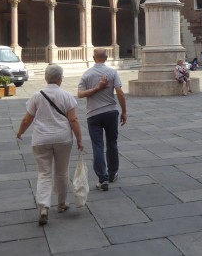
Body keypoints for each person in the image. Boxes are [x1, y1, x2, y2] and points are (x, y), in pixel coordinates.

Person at [16, 64, 83, 225]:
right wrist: (79, 139)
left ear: (46, 78)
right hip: (63, 138)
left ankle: (44, 207)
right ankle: (61, 204)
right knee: (61, 172)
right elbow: (73, 119)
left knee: (44, 173)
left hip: (41, 139)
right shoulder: (67, 96)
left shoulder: (36, 96)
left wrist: (20, 132)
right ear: (60, 79)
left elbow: (27, 119)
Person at [78, 48, 127, 192]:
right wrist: (124, 111)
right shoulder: (112, 73)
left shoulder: (87, 74)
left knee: (97, 146)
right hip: (111, 112)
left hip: (93, 114)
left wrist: (95, 89)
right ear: (106, 58)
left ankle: (103, 178)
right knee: (112, 143)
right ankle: (112, 173)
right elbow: (120, 92)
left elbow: (80, 94)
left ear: (93, 58)